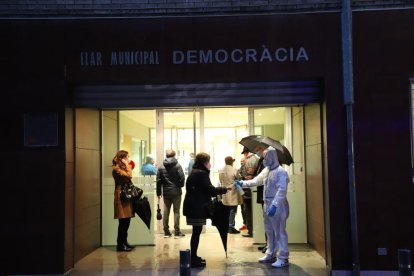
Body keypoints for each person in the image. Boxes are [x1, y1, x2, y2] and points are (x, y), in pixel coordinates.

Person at [234, 146, 290, 268]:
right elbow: (256, 181)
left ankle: (283, 257)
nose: (264, 159)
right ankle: (271, 253)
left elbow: (282, 191)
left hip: (278, 205)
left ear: (272, 157)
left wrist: (275, 205)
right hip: (267, 203)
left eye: (266, 157)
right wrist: (242, 183)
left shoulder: (281, 172)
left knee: (279, 231)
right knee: (269, 230)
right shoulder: (267, 170)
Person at [183, 152, 229, 268]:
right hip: (197, 208)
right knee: (196, 233)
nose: (210, 164)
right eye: (208, 162)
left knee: (196, 232)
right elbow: (211, 190)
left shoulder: (195, 172)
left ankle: (194, 256)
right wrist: (225, 189)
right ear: (204, 163)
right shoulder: (201, 174)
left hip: (193, 206)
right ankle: (193, 258)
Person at [156, 149, 186, 238]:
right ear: (174, 155)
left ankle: (166, 232)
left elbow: (158, 181)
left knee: (166, 211)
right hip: (176, 192)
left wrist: (158, 192)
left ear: (166, 155)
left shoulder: (161, 167)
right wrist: (180, 186)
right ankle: (177, 232)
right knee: (176, 211)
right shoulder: (177, 165)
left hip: (166, 192)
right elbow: (182, 178)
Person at [112, 150, 135, 252]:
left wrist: (127, 165)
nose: (128, 158)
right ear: (122, 158)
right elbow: (129, 176)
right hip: (121, 197)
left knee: (127, 221)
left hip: (126, 196)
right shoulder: (117, 169)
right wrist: (127, 165)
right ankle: (120, 245)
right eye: (127, 157)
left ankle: (124, 242)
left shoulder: (122, 168)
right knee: (123, 222)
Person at [219, 156, 243, 234]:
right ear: (231, 162)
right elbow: (239, 179)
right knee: (232, 210)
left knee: (226, 210)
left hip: (225, 192)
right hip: (233, 192)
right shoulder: (234, 170)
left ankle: (226, 226)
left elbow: (220, 180)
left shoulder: (221, 171)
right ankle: (231, 227)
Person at [239, 146, 259, 237]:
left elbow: (247, 174)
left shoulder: (250, 161)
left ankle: (251, 230)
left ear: (246, 153)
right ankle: (253, 230)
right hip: (252, 189)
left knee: (249, 211)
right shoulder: (256, 159)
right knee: (250, 210)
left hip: (248, 189)